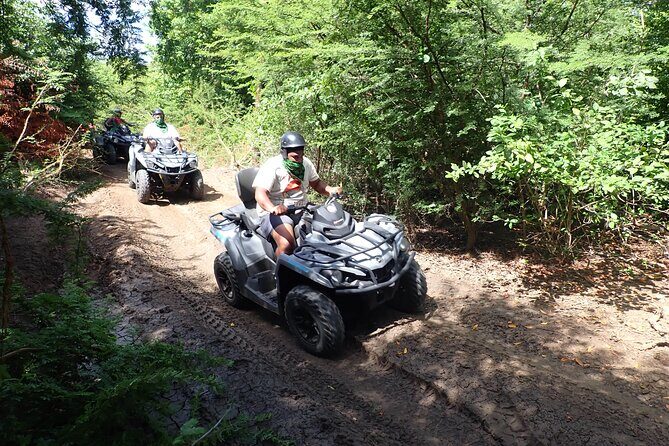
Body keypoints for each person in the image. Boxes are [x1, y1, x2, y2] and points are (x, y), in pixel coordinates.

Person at [253, 131, 342, 257]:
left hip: (302, 208)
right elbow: (260, 193)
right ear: (284, 153)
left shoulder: (306, 163)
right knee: (287, 245)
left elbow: (316, 184)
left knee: (330, 232)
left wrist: (330, 190)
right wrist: (273, 208)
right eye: (295, 157)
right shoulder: (273, 166)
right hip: (276, 212)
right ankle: (277, 268)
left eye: (301, 155)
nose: (299, 160)